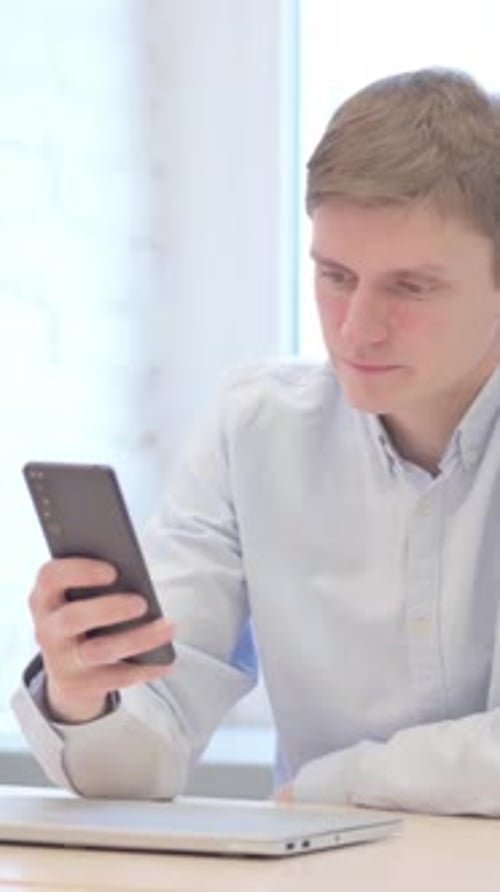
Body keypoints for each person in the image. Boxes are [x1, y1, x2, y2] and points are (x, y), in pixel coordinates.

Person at [12, 67, 500, 815]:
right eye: (336, 275)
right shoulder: (254, 430)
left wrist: (334, 784)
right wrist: (87, 700)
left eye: (411, 287)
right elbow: (141, 756)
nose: (356, 328)